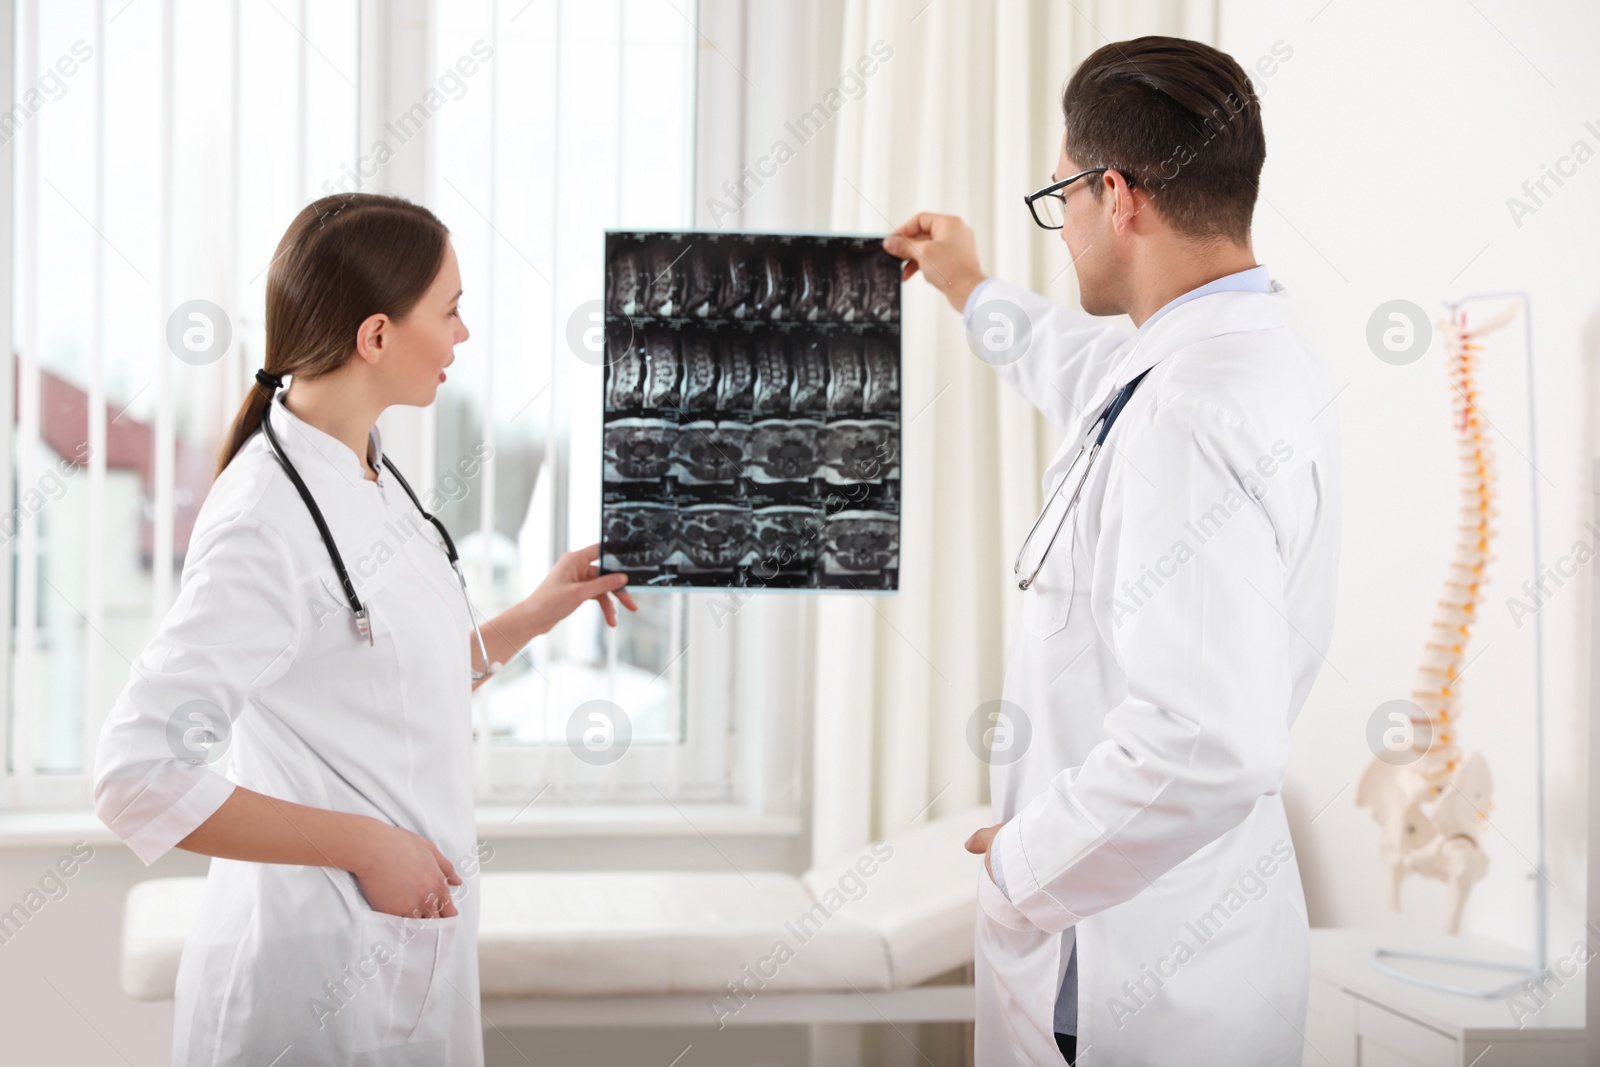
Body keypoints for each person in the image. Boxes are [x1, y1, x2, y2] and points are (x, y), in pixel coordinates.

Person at [93, 193, 636, 1065]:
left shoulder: (371, 473)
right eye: (451, 309)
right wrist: (366, 845)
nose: (464, 334)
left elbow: (387, 682)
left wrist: (535, 613)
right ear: (376, 336)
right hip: (304, 979)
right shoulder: (264, 519)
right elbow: (136, 776)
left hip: (400, 959)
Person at [883, 36, 1340, 1066]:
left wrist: (1023, 865)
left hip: (1139, 970)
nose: (1064, 226)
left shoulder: (1186, 410)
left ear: (1117, 194)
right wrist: (969, 286)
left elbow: (1203, 741)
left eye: (1062, 197)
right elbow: (1076, 360)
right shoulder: (1228, 351)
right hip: (1178, 941)